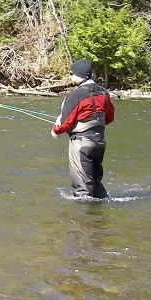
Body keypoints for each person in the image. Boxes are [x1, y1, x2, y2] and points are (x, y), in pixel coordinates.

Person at [50, 59, 115, 199]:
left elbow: (65, 123)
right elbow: (109, 118)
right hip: (100, 143)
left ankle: (85, 219)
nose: (70, 77)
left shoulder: (75, 95)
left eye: (71, 74)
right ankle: (102, 216)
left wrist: (55, 131)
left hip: (81, 145)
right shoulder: (103, 93)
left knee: (82, 192)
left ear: (77, 75)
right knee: (96, 186)